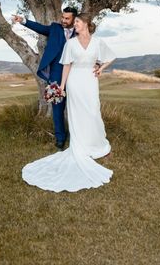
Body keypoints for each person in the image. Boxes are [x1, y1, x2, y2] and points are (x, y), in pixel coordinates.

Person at [22, 12, 116, 193]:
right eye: (76, 22)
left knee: (93, 111)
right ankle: (77, 145)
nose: (75, 24)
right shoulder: (71, 43)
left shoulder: (97, 42)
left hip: (90, 81)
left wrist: (101, 68)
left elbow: (110, 56)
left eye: (78, 22)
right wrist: (62, 87)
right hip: (74, 82)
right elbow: (66, 65)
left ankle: (96, 145)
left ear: (86, 24)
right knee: (77, 114)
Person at [12, 7, 79, 149]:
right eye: (63, 17)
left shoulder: (80, 31)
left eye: (67, 18)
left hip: (76, 75)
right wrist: (23, 21)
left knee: (77, 107)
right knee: (57, 107)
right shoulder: (55, 28)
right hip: (55, 74)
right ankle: (60, 138)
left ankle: (78, 137)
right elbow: (40, 28)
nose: (63, 20)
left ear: (74, 19)